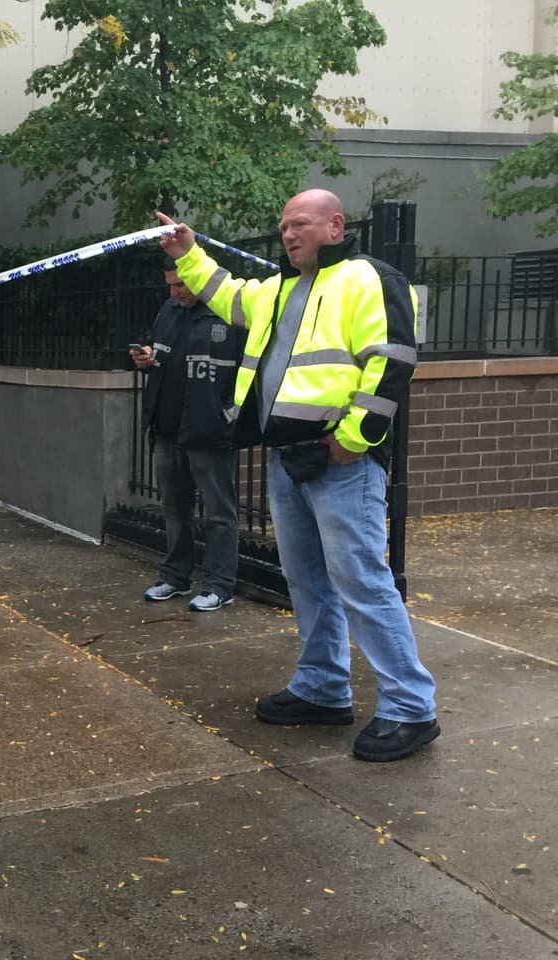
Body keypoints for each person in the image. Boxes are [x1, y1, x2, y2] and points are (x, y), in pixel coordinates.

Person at [157, 190, 439, 762]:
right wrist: (188, 253)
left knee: (360, 581)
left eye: (300, 225)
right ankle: (322, 688)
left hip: (341, 464)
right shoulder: (279, 289)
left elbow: (394, 360)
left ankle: (411, 707)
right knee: (308, 582)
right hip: (289, 460)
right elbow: (226, 295)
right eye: (284, 226)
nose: (288, 235)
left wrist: (350, 441)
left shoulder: (369, 279)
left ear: (335, 225)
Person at [132, 257, 246, 612]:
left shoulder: (229, 312)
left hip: (210, 430)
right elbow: (166, 356)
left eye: (180, 285)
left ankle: (219, 584)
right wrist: (148, 358)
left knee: (218, 513)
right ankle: (175, 577)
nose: (174, 292)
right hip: (167, 429)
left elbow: (249, 368)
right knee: (174, 510)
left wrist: (230, 414)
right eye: (170, 285)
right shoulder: (169, 310)